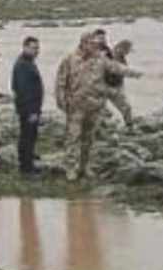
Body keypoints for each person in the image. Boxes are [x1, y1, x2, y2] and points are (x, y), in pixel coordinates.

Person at [55, 33, 138, 182]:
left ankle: (84, 167)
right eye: (92, 44)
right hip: (76, 107)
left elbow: (116, 68)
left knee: (89, 139)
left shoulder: (101, 59)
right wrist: (61, 102)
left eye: (96, 44)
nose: (95, 47)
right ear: (83, 44)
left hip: (94, 106)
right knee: (73, 138)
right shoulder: (70, 60)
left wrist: (135, 73)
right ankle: (71, 169)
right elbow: (60, 82)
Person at [12, 36, 44, 176]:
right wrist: (31, 111)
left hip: (30, 107)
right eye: (33, 48)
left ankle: (28, 161)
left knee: (30, 135)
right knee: (27, 136)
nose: (36, 51)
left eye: (37, 48)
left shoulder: (28, 62)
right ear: (25, 47)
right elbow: (23, 90)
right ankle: (26, 168)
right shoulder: (23, 65)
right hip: (28, 108)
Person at [104, 40, 136, 127]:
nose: (128, 53)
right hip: (103, 87)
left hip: (116, 87)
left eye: (128, 51)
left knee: (127, 108)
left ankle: (129, 127)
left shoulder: (122, 59)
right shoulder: (106, 56)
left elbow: (121, 76)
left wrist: (121, 89)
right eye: (127, 51)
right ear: (121, 48)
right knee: (104, 111)